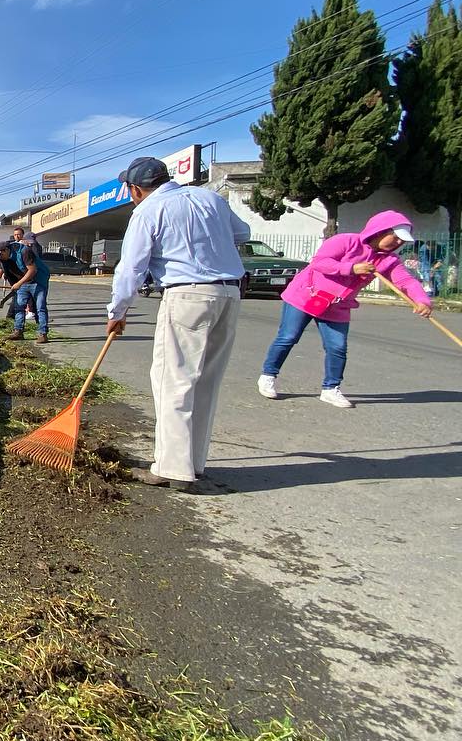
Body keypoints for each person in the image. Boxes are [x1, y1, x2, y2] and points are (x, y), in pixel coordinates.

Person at [106, 156, 250, 492]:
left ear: (136, 189)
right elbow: (243, 233)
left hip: (187, 296)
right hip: (229, 294)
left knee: (175, 381)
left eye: (129, 189)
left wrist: (118, 311)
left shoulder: (147, 211)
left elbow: (131, 268)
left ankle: (172, 468)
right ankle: (193, 463)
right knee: (205, 383)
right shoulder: (210, 198)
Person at [258, 211, 432, 408]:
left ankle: (331, 389)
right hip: (306, 295)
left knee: (337, 347)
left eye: (403, 241)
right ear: (381, 231)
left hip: (337, 305)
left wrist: (422, 300)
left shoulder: (388, 261)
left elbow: (405, 281)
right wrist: (352, 268)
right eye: (396, 237)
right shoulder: (345, 241)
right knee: (288, 337)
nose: (398, 243)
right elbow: (320, 262)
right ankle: (268, 375)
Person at [0, 226, 49, 342]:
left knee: (40, 307)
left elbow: (32, 270)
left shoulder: (24, 251)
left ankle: (43, 333)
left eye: (1, 255)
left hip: (38, 280)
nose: (0, 258)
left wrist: (18, 284)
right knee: (19, 306)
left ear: (6, 250)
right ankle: (18, 331)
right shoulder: (2, 259)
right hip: (23, 282)